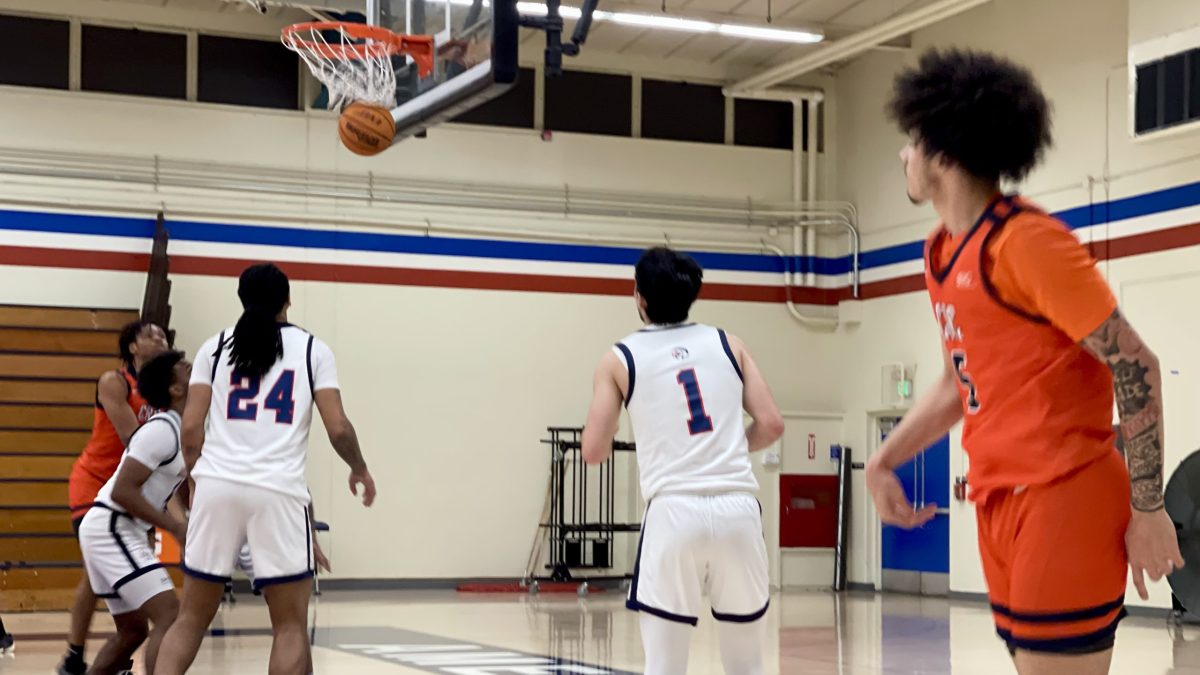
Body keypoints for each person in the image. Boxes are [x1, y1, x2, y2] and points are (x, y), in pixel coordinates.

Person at [867, 48, 1184, 674]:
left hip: (1065, 495)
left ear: (943, 154)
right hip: (998, 502)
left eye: (911, 142)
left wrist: (1150, 510)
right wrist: (883, 461)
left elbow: (1135, 366)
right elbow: (961, 386)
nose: (904, 156)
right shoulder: (940, 254)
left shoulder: (1026, 243)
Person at [156, 263, 376, 675]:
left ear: (241, 298)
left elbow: (190, 428)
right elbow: (338, 427)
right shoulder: (313, 350)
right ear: (288, 299)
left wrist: (197, 483)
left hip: (217, 486)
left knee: (190, 620)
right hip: (278, 493)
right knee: (289, 627)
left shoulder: (214, 347)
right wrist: (359, 467)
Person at [581, 247, 784, 675]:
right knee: (747, 666)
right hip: (738, 510)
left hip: (674, 513)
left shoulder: (620, 358)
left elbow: (593, 451)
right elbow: (771, 424)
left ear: (638, 296)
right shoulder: (729, 343)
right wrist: (724, 451)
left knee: (665, 667)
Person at [60, 321, 169, 675]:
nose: (160, 339)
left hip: (135, 491)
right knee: (95, 575)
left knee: (121, 576)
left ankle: (118, 651)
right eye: (150, 335)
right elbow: (132, 439)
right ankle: (74, 655)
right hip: (95, 486)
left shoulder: (162, 394)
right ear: (132, 348)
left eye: (163, 335)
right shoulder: (114, 381)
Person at [77, 351, 191, 675]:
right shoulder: (161, 430)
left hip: (116, 527)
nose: (195, 371)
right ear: (175, 389)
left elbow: (180, 482)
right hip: (112, 525)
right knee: (170, 615)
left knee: (132, 632)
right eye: (187, 369)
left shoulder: (184, 429)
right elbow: (122, 490)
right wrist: (175, 527)